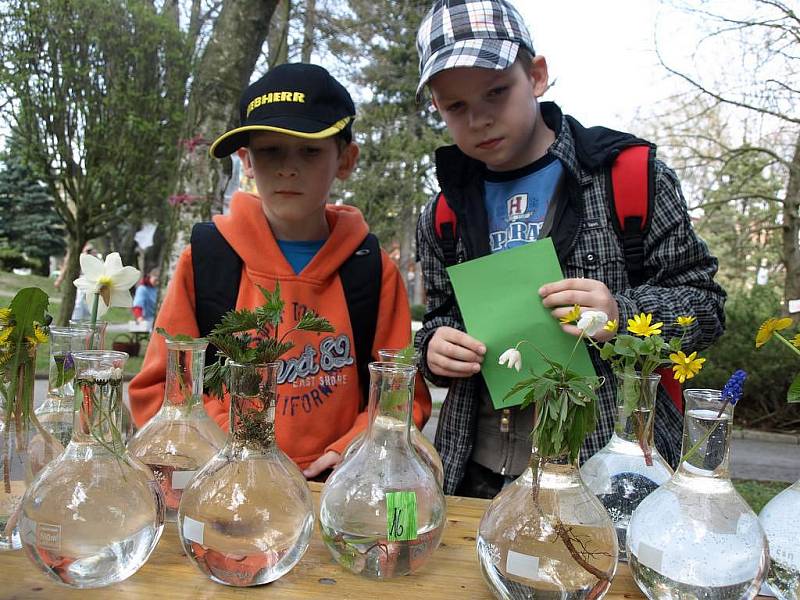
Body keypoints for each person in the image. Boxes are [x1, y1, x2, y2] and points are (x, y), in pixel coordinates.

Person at [413, 0, 726, 497]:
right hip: (477, 470)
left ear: (536, 76)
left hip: (609, 469)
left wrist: (621, 313)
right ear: (438, 108)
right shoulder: (442, 214)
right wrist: (433, 350)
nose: (478, 119)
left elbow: (706, 307)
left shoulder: (629, 179)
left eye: (496, 92)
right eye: (456, 106)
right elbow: (439, 319)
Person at [129, 63, 431, 479]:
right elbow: (159, 391)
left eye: (309, 151)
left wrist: (352, 449)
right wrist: (240, 450)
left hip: (339, 487)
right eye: (270, 151)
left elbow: (402, 398)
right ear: (246, 161)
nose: (288, 168)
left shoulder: (372, 268)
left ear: (345, 159)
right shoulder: (206, 259)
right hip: (228, 483)